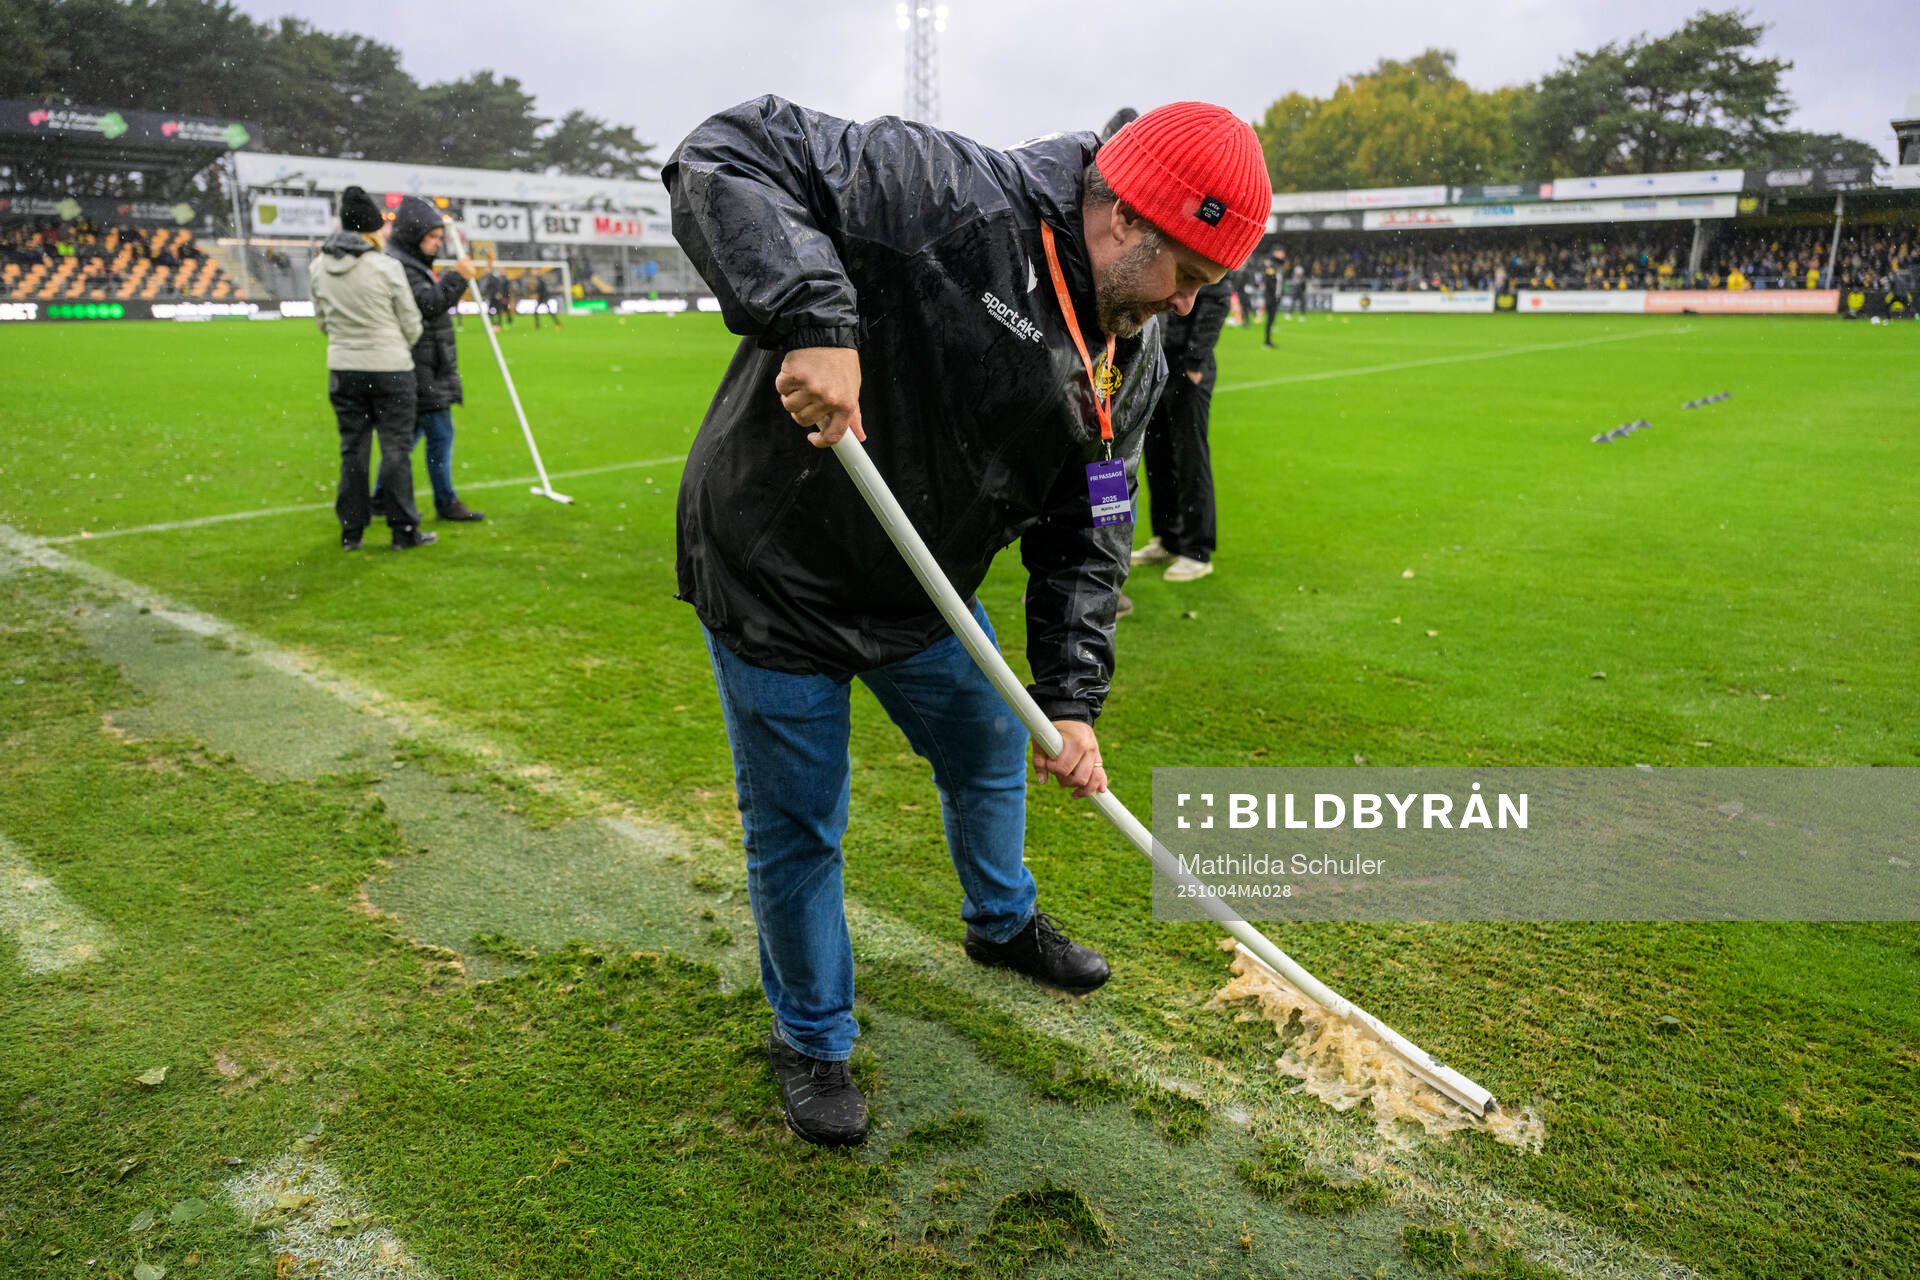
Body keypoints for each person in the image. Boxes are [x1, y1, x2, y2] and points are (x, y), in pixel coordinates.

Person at [665, 96, 1269, 1146]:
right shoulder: (946, 192)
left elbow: (1093, 528)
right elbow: (727, 151)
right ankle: (812, 1035)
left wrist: (1072, 696)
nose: (1183, 305)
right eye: (1188, 276)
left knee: (995, 739)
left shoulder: (1133, 358)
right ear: (1125, 218)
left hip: (921, 585)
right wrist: (813, 318)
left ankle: (1001, 922)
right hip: (777, 572)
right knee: (799, 821)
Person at [308, 187, 430, 551]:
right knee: (396, 449)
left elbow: (322, 322)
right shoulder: (386, 267)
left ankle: (352, 531)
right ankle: (403, 530)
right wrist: (395, 347)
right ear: (370, 230)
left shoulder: (318, 267)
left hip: (344, 368)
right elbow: (411, 321)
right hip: (391, 367)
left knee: (353, 450)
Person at [383, 197, 486, 523]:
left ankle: (378, 497)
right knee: (440, 432)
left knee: (410, 436)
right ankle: (446, 501)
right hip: (422, 363)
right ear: (415, 235)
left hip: (427, 360)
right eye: (432, 238)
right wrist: (457, 278)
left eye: (440, 238)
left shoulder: (411, 263)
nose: (437, 244)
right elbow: (428, 304)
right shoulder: (403, 266)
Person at [1133, 275, 1231, 582]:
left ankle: (1197, 551)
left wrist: (1195, 361)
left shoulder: (1203, 244)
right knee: (1157, 455)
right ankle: (1168, 538)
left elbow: (1217, 298)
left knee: (1190, 457)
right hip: (1156, 362)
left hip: (1186, 369)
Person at [1261, 255, 1282, 346]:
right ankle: (1267, 341)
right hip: (1271, 299)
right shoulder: (1271, 270)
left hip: (1273, 298)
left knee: (1271, 320)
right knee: (1270, 320)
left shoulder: (1274, 270)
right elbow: (1270, 284)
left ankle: (1268, 340)